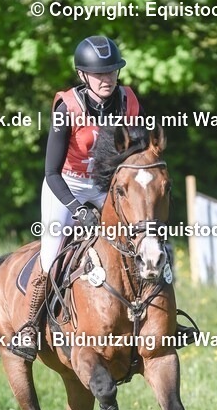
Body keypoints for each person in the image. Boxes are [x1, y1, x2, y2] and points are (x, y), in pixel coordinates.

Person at [11, 35, 143, 360]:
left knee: (145, 239)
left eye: (112, 72)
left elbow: (134, 156)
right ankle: (29, 326)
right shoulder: (66, 107)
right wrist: (76, 209)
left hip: (105, 187)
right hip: (66, 186)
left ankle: (161, 320)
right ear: (83, 75)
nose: (106, 79)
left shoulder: (129, 102)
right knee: (51, 252)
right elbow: (51, 173)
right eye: (99, 74)